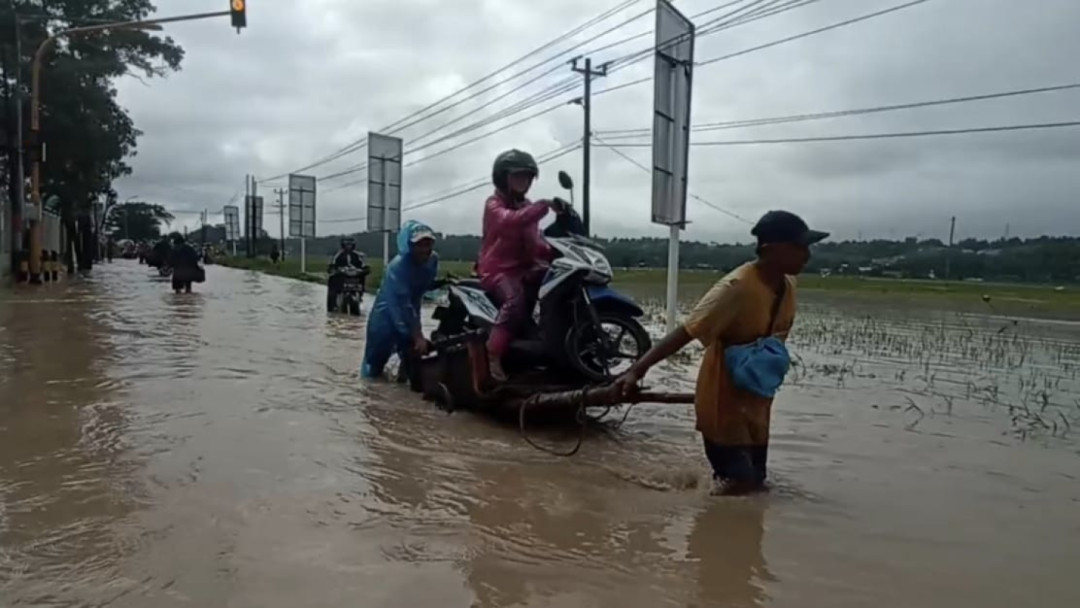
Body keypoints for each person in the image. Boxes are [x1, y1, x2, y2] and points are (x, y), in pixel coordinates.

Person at [613, 210, 829, 495]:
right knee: (737, 485)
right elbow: (686, 332)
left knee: (756, 482)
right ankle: (703, 519)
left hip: (757, 401)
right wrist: (636, 370)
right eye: (799, 247)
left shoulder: (788, 285)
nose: (807, 255)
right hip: (722, 402)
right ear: (771, 250)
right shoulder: (735, 289)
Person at [476, 149, 563, 382]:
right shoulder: (494, 204)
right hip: (497, 270)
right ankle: (493, 351)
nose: (522, 181)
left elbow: (535, 242)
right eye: (517, 176)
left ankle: (551, 340)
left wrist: (556, 251)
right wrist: (543, 206)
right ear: (503, 177)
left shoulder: (527, 205)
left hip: (526, 267)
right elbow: (510, 221)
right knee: (515, 300)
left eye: (526, 177)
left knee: (558, 282)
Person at [361, 220, 439, 384]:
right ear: (409, 246)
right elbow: (402, 303)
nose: (425, 250)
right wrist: (417, 335)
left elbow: (424, 285)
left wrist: (443, 284)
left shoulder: (433, 260)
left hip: (411, 312)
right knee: (374, 362)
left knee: (412, 358)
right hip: (386, 315)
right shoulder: (397, 267)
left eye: (428, 244)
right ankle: (368, 396)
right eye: (420, 245)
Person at [326, 237, 365, 312]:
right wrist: (335, 269)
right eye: (347, 244)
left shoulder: (357, 255)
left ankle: (360, 293)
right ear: (343, 245)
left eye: (350, 245)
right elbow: (332, 265)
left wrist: (363, 270)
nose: (349, 246)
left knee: (362, 277)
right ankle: (332, 304)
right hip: (341, 275)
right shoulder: (338, 255)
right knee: (332, 281)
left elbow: (363, 265)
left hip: (354, 275)